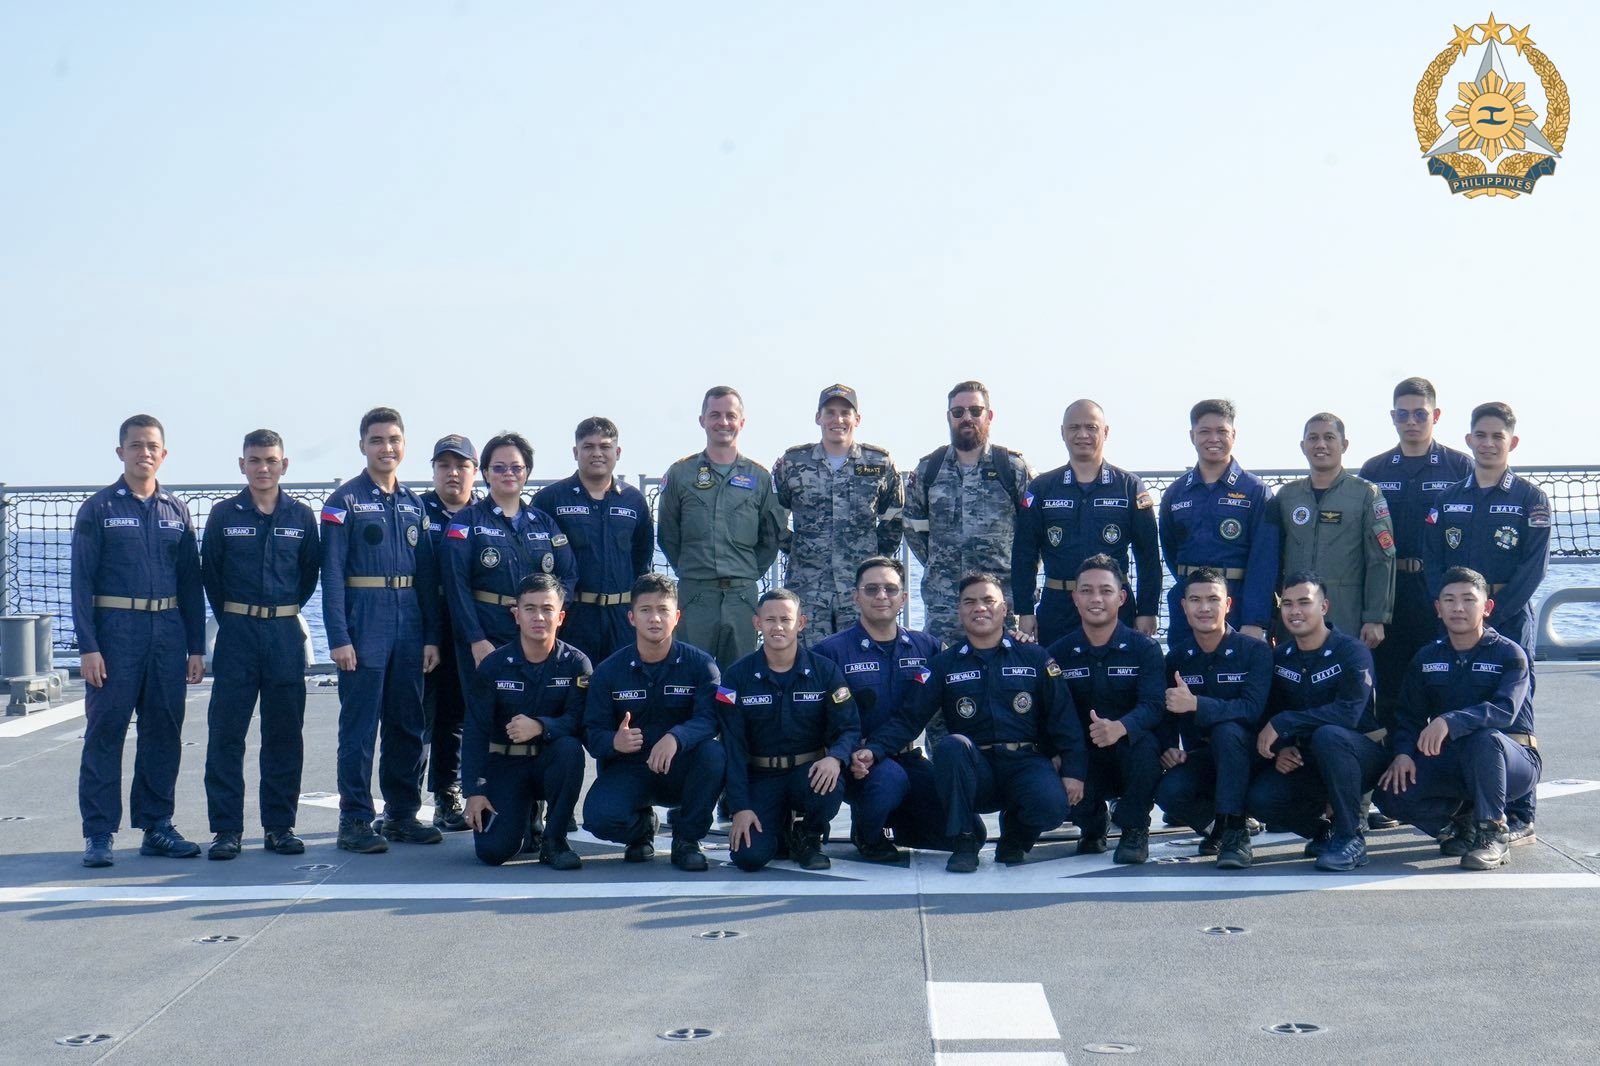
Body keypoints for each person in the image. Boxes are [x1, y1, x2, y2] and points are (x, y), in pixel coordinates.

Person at [860, 573, 1086, 873]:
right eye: (970, 602)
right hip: (974, 771)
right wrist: (873, 750)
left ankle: (1015, 838)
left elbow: (1064, 719)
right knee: (953, 746)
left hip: (1024, 763)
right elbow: (908, 718)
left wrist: (1073, 771)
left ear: (1004, 609)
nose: (979, 608)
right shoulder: (944, 664)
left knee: (1052, 806)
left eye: (988, 601)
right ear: (960, 611)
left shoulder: (1034, 657)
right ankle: (964, 841)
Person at [73, 414, 206, 867]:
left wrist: (195, 647)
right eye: (135, 446)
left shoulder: (177, 511)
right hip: (115, 636)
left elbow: (191, 583)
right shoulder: (99, 509)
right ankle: (98, 833)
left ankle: (157, 826)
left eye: (152, 446)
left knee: (163, 733)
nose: (144, 453)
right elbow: (81, 582)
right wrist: (88, 646)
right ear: (120, 452)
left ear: (163, 454)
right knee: (105, 733)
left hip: (167, 634)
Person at [1424, 401, 1550, 842]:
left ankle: (1520, 811)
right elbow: (1433, 561)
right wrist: (1449, 611)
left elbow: (1533, 568)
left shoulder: (1530, 499)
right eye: (1482, 435)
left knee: (1515, 706)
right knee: (1460, 701)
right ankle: (1468, 804)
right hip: (1456, 617)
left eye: (1499, 436)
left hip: (1509, 618)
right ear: (1469, 440)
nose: (1490, 443)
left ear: (1511, 442)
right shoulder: (1448, 499)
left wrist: (1495, 614)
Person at [320, 407, 443, 853]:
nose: (386, 448)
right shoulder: (343, 501)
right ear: (362, 446)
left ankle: (402, 814)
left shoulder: (414, 504)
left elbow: (428, 576)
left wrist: (431, 635)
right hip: (364, 620)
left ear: (404, 445)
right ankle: (354, 819)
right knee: (358, 727)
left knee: (407, 722)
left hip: (409, 621)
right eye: (377, 440)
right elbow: (331, 574)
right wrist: (338, 637)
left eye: (393, 439)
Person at [200, 429, 320, 859]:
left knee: (285, 734)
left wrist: (280, 610)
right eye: (255, 460)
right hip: (237, 634)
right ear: (242, 465)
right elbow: (210, 573)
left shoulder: (302, 517)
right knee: (226, 733)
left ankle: (279, 827)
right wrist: (239, 613)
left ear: (284, 465)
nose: (263, 468)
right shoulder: (222, 515)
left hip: (285, 635)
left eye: (271, 460)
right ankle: (226, 830)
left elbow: (308, 576)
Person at [1376, 567, 1539, 870]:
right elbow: (1408, 716)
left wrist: (1451, 721)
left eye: (1468, 599)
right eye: (1449, 600)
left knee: (1483, 738)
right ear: (1438, 609)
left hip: (1511, 763)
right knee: (1390, 792)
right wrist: (1401, 754)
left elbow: (1504, 710)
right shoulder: (1426, 657)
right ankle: (1459, 827)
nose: (1458, 607)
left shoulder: (1510, 654)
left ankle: (1493, 834)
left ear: (1487, 607)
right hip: (1455, 762)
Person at [581, 573, 724, 872]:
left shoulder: (702, 665)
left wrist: (677, 737)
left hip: (682, 767)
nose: (655, 618)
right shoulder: (609, 671)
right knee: (599, 818)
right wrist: (613, 742)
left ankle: (687, 839)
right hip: (631, 768)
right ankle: (642, 828)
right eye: (646, 610)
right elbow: (592, 732)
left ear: (677, 617)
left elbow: (710, 720)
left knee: (714, 754)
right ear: (631, 617)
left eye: (663, 610)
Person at [1246, 571, 1387, 872]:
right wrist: (1282, 747)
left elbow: (1348, 714)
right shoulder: (1279, 657)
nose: (1295, 611)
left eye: (1304, 602)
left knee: (1329, 736)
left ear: (1323, 607)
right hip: (1308, 760)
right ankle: (1324, 832)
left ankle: (1352, 838)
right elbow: (1269, 712)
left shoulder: (1352, 652)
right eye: (1287, 604)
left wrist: (1286, 723)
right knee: (1260, 798)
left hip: (1359, 757)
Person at [1357, 377, 1473, 734]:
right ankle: (1396, 772)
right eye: (1403, 414)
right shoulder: (1374, 471)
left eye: (1420, 414)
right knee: (1390, 688)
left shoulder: (1459, 467)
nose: (1411, 421)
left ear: (1435, 415)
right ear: (1392, 417)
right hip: (1391, 593)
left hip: (1438, 590)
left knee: (1447, 682)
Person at [718, 589, 861, 872]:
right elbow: (732, 747)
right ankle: (781, 830)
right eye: (770, 620)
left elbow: (849, 728)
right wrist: (740, 807)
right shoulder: (736, 676)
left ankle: (808, 835)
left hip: (806, 773)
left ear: (802, 623)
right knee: (749, 857)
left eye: (786, 619)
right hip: (760, 777)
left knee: (829, 783)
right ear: (757, 623)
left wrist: (835, 758)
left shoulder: (825, 671)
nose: (778, 626)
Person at [815, 556, 945, 862]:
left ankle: (893, 823)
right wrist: (844, 754)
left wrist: (1017, 639)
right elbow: (814, 716)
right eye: (871, 590)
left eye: (890, 589)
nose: (882, 596)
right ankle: (867, 833)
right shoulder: (830, 651)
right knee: (889, 781)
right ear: (856, 597)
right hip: (851, 761)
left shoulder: (928, 648)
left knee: (965, 834)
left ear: (904, 597)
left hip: (902, 755)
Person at [462, 574, 590, 869]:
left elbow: (578, 720)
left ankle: (555, 840)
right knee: (493, 852)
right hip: (505, 766)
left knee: (570, 749)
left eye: (547, 609)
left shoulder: (576, 663)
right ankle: (526, 817)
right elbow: (476, 731)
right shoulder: (493, 666)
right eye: (530, 608)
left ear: (560, 617)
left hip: (549, 762)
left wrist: (542, 726)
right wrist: (475, 791)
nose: (539, 617)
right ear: (515, 615)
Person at [1046, 556, 1166, 865]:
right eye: (1086, 591)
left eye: (1105, 591)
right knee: (1051, 775)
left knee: (1145, 748)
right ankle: (1093, 823)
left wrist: (1121, 727)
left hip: (1130, 750)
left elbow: (1154, 706)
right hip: (1083, 754)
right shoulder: (1057, 653)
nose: (1095, 599)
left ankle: (1135, 829)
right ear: (1075, 598)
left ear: (1122, 597)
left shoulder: (1145, 649)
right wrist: (1056, 754)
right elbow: (1050, 713)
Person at [657, 386, 787, 669]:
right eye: (715, 415)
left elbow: (770, 537)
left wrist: (746, 571)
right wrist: (693, 569)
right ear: (702, 420)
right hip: (695, 595)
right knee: (690, 676)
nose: (723, 422)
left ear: (742, 422)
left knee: (739, 680)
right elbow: (667, 534)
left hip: (742, 597)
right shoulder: (681, 474)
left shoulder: (760, 477)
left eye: (731, 415)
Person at [1013, 399, 1160, 646]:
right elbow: (1024, 554)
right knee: (1056, 678)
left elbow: (1148, 556)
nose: (1083, 434)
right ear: (1062, 432)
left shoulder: (1129, 486)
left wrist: (1147, 610)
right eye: (1074, 428)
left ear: (1105, 432)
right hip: (1058, 606)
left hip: (1114, 606)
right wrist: (1025, 610)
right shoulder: (1041, 488)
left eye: (1091, 427)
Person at [1154, 568, 1273, 868]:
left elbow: (1251, 709)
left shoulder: (1255, 652)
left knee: (1227, 731)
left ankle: (1236, 834)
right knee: (1169, 791)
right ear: (1183, 607)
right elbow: (1166, 711)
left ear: (1228, 605)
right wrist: (1169, 746)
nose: (1204, 608)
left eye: (1213, 599)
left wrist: (1196, 703)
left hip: (1251, 756)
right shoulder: (1177, 658)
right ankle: (1219, 829)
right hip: (1204, 757)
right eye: (1195, 600)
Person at [772, 385, 904, 645]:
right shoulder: (794, 462)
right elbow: (774, 513)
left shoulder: (879, 463)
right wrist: (797, 548)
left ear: (857, 419)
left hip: (860, 586)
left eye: (845, 413)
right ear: (818, 417)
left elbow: (895, 516)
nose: (838, 420)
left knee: (863, 654)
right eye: (830, 412)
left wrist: (875, 557)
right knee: (809, 658)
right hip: (807, 585)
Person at [904, 381, 1033, 645]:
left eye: (975, 411)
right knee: (944, 676)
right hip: (944, 606)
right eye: (958, 412)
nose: (967, 418)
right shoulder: (930, 468)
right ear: (949, 417)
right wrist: (941, 564)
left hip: (1000, 603)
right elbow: (913, 527)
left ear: (989, 415)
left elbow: (1034, 533)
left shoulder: (1013, 469)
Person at [531, 417, 655, 663]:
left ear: (617, 452)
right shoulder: (551, 499)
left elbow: (642, 559)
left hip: (622, 619)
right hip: (573, 617)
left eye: (605, 446)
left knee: (622, 690)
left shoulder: (634, 500)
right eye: (588, 447)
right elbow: (537, 560)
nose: (597, 453)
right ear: (576, 452)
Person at [1159, 400, 1280, 646]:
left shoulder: (1256, 492)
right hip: (1189, 605)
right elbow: (1170, 549)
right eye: (1205, 431)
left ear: (1233, 435)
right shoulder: (1176, 493)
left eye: (1222, 431)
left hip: (1238, 605)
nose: (1213, 438)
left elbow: (1265, 560)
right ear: (1192, 436)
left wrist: (1255, 621)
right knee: (1183, 677)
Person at [1273, 413, 1396, 645]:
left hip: (1346, 614)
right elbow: (1272, 558)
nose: (1321, 444)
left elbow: (1381, 558)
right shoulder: (1287, 496)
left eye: (1329, 437)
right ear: (1303, 446)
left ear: (1344, 445)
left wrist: (1376, 617)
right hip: (1294, 616)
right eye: (1313, 438)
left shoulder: (1365, 494)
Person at [418, 433, 479, 832]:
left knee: (457, 716)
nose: (453, 473)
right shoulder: (415, 511)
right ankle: (402, 800)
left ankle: (447, 793)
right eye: (444, 465)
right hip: (424, 625)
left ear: (475, 472)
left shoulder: (485, 514)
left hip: (469, 626)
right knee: (417, 717)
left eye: (461, 466)